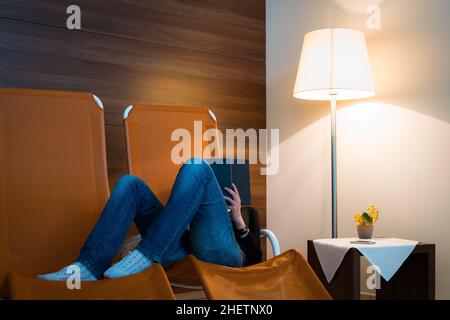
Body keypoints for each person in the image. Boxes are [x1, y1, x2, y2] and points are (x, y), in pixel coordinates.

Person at [38, 158, 262, 281]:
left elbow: (256, 257)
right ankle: (88, 267)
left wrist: (238, 220)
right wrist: (186, 213)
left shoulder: (248, 213)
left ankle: (145, 255)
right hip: (186, 246)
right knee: (130, 184)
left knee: (198, 166)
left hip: (226, 255)